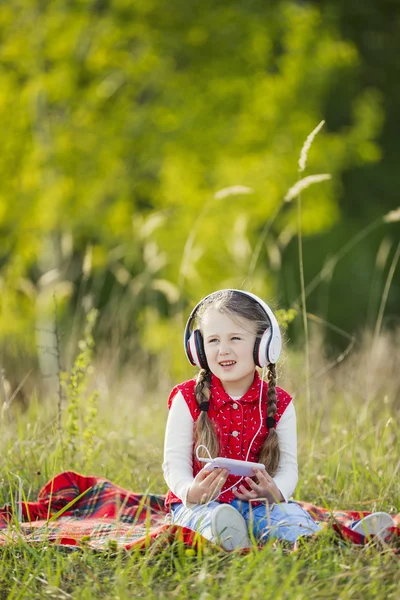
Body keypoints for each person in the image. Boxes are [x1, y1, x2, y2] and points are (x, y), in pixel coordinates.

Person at [162, 289, 322, 550]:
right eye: (213, 341)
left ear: (264, 345)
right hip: (199, 504)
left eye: (235, 338)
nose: (223, 350)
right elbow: (173, 464)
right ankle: (226, 534)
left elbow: (288, 469)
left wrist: (275, 493)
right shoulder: (186, 398)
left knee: (292, 519)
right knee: (207, 521)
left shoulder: (280, 404)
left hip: (260, 506)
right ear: (198, 349)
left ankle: (334, 537)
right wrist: (191, 491)